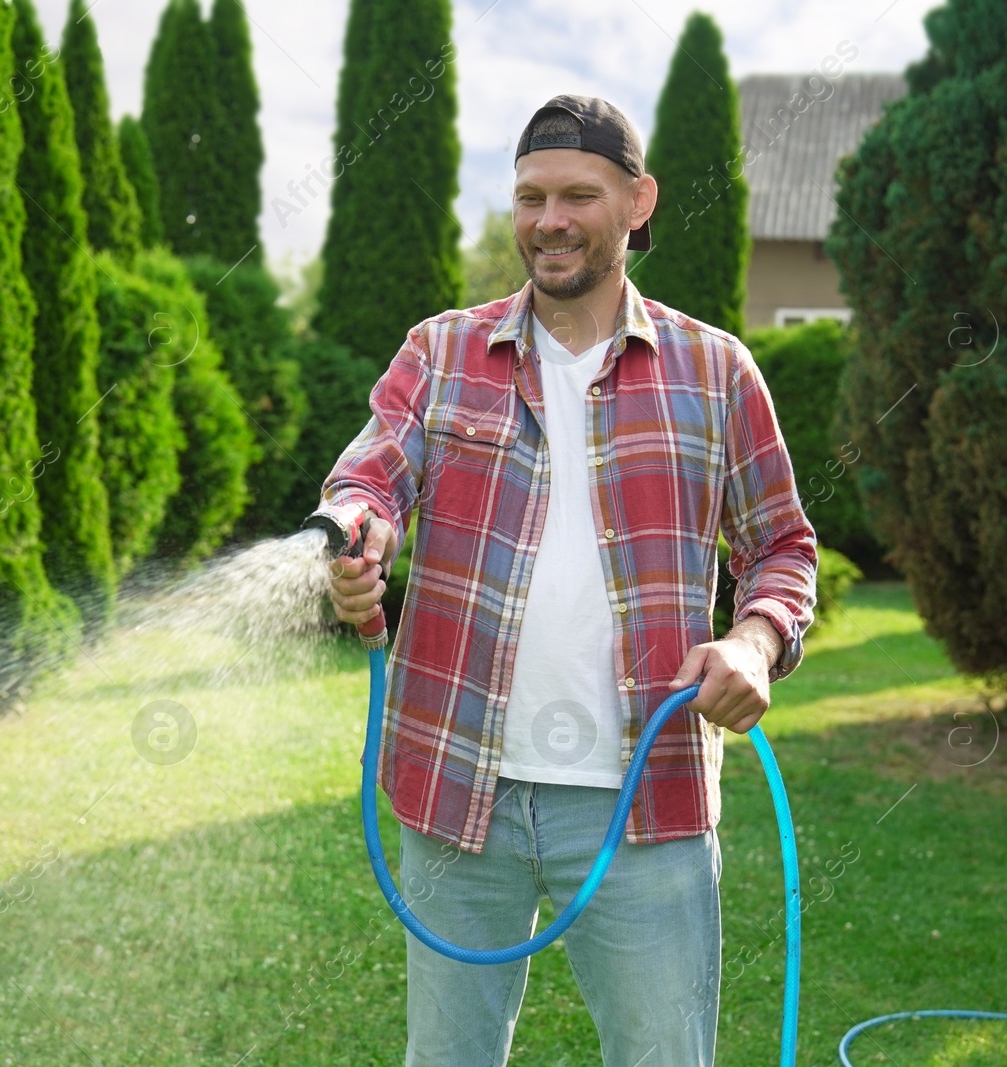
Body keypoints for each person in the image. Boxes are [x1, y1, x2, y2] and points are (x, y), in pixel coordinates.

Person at [311, 93, 818, 1067]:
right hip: (459, 790)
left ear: (637, 200)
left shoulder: (716, 371)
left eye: (578, 194)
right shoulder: (443, 349)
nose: (549, 219)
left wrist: (755, 638)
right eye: (530, 195)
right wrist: (357, 531)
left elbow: (783, 547)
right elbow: (372, 468)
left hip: (645, 802)